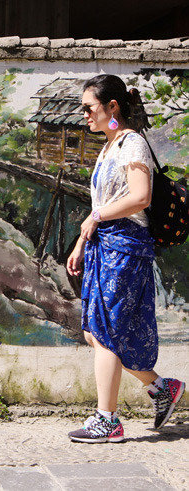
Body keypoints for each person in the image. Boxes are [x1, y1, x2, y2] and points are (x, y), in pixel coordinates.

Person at [66, 74, 185, 443]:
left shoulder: (132, 143)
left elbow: (140, 197)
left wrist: (96, 218)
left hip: (126, 249)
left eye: (89, 107)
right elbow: (102, 207)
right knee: (97, 332)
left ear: (112, 107)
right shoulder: (109, 147)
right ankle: (162, 388)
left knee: (105, 334)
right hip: (106, 246)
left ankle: (107, 420)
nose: (84, 114)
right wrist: (83, 241)